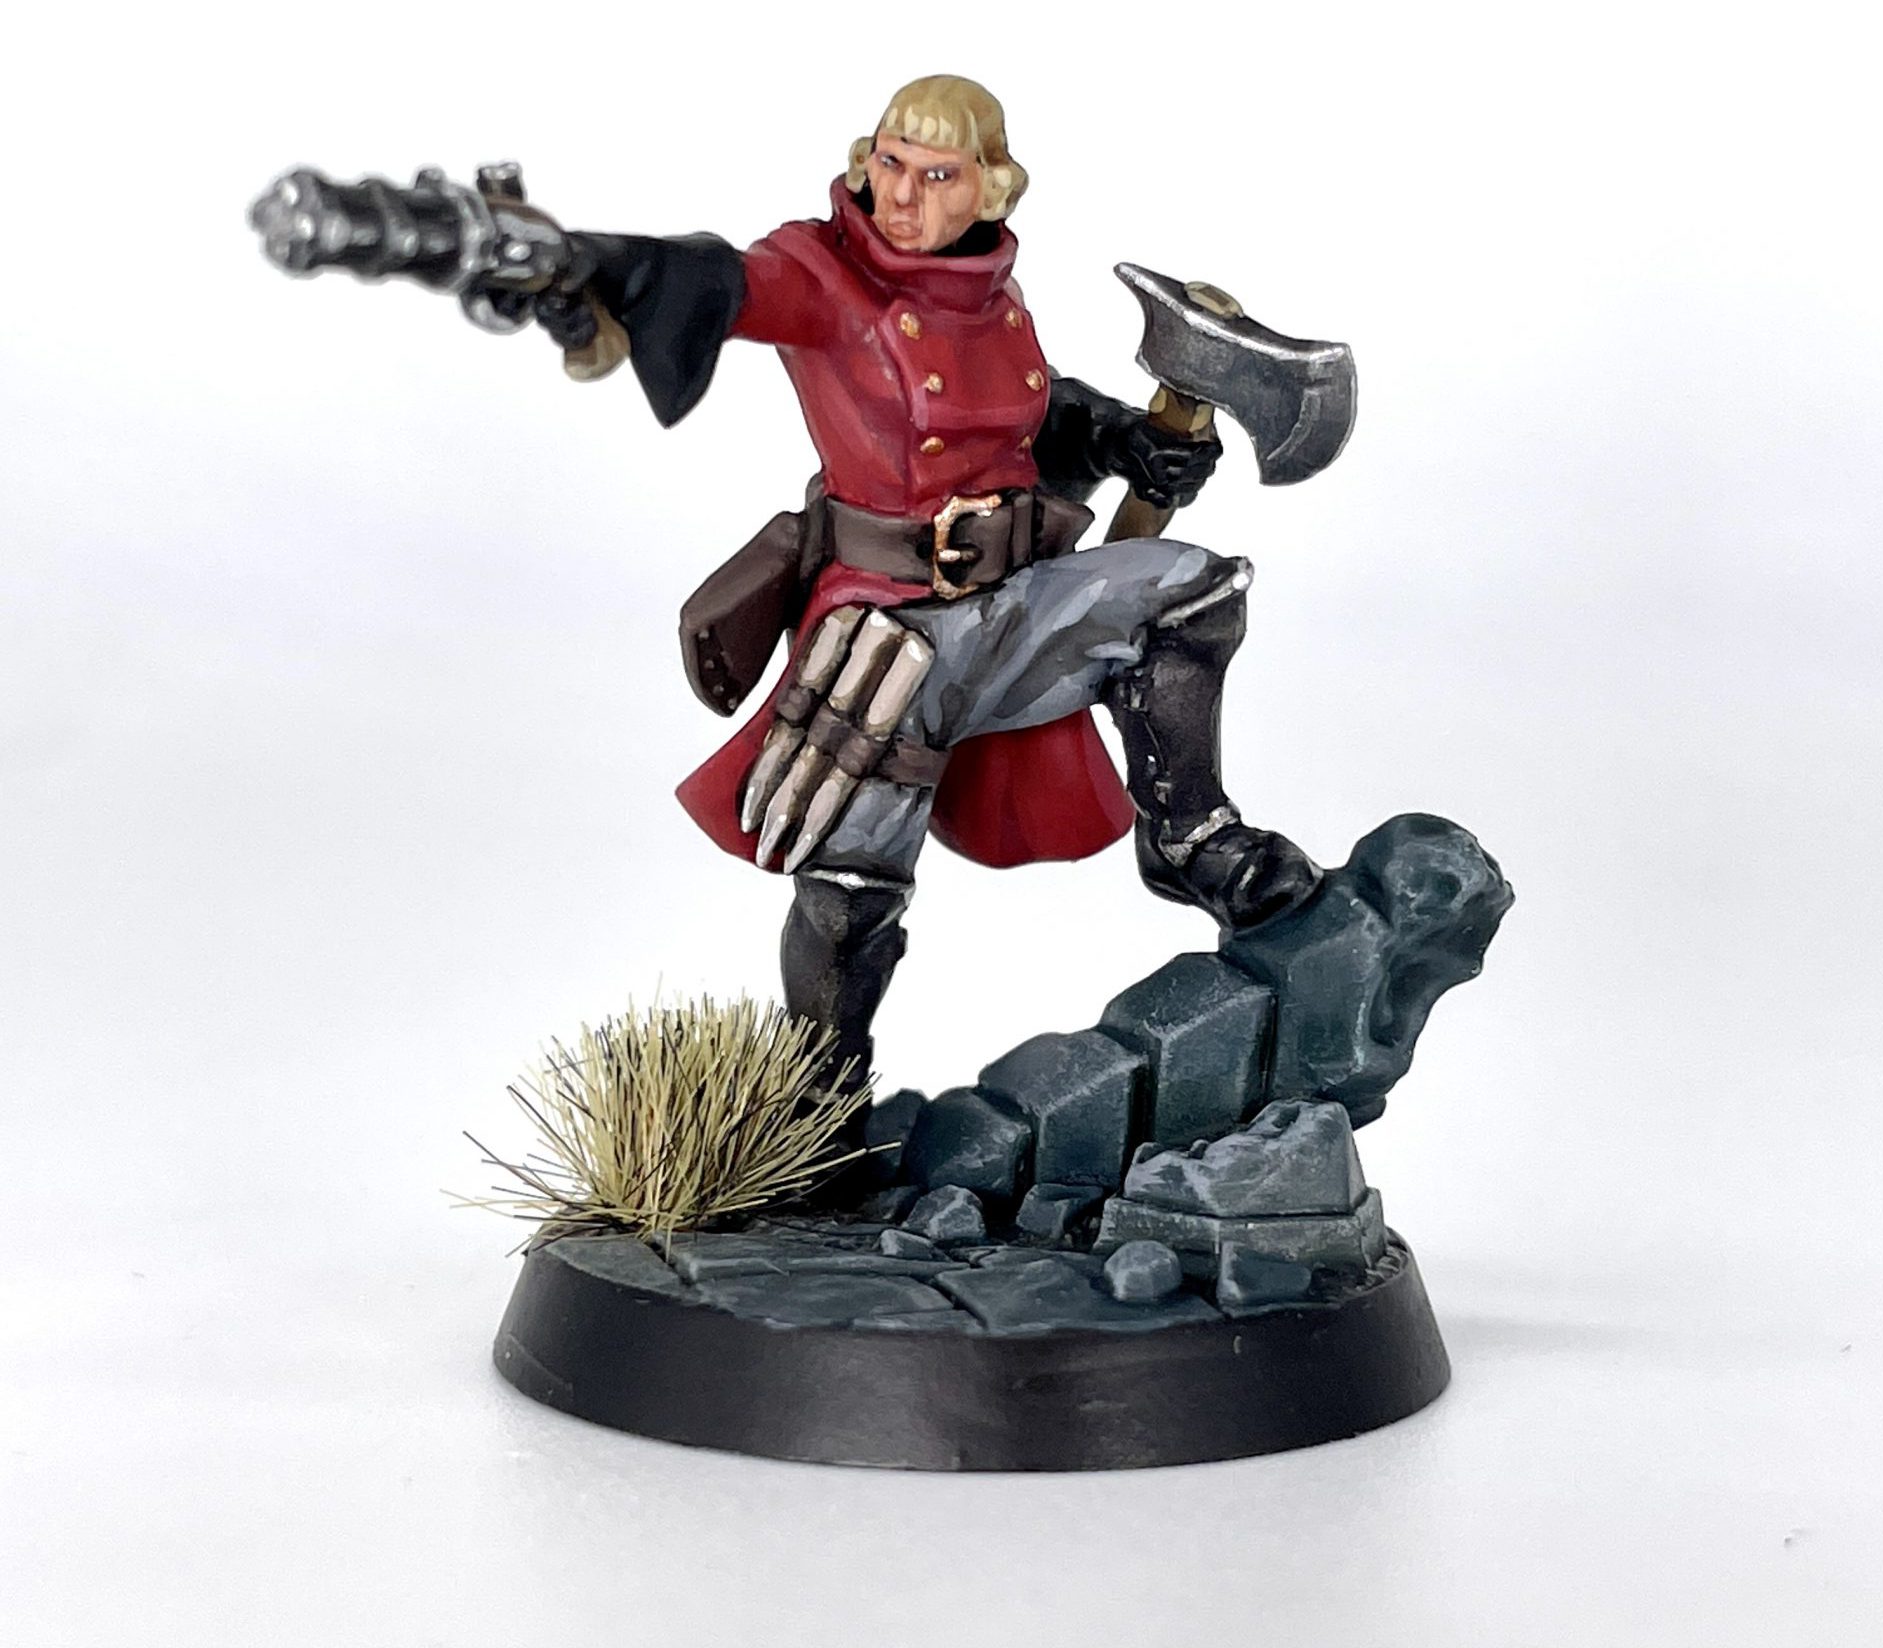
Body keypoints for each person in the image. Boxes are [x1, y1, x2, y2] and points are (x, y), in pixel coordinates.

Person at [533, 76, 1321, 1099]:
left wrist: (1125, 437)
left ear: (991, 189)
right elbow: (723, 279)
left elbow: (1024, 420)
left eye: (936, 174)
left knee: (1193, 591)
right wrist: (588, 267)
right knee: (850, 899)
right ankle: (819, 1101)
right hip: (887, 639)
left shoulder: (995, 297)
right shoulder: (821, 276)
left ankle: (1192, 840)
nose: (902, 195)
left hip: (1014, 613)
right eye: (890, 164)